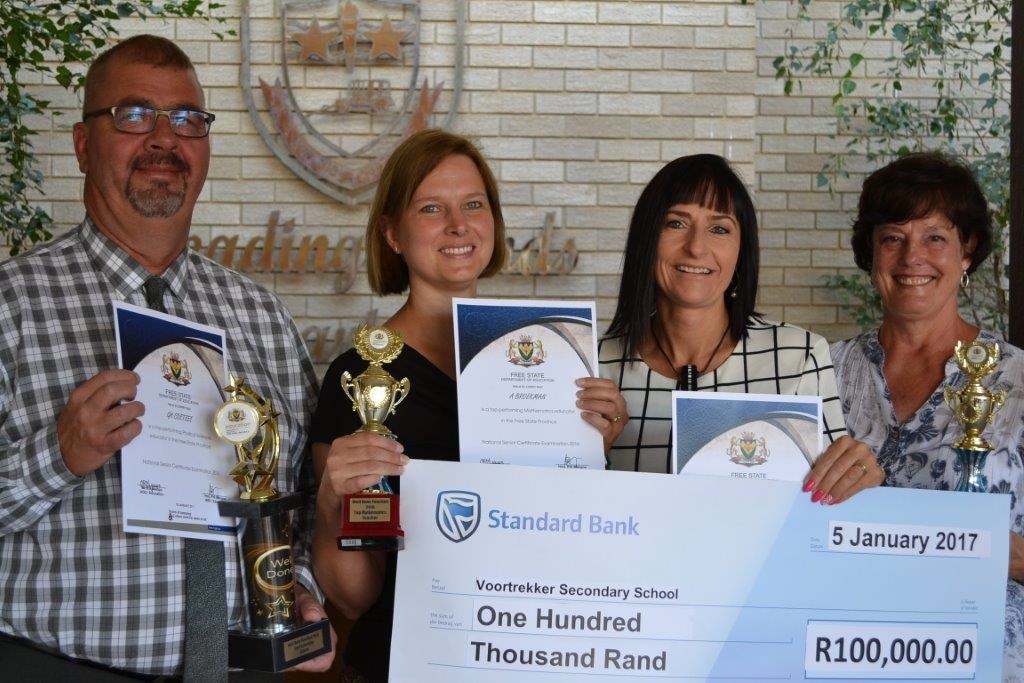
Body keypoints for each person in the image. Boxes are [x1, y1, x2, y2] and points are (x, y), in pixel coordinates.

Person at [0, 35, 332, 679]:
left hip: (240, 670)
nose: (163, 138)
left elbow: (302, 498)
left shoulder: (262, 317)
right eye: (133, 115)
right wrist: (58, 455)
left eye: (186, 119)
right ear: (83, 145)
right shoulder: (11, 304)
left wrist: (299, 586)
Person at [310, 129, 625, 682]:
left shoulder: (552, 362)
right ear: (392, 234)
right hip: (408, 662)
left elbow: (566, 543)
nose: (459, 225)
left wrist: (592, 450)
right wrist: (332, 502)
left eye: (474, 205)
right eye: (431, 208)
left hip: (529, 651)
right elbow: (354, 599)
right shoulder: (357, 379)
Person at [830, 151, 1024, 678]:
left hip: (980, 663)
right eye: (893, 237)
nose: (912, 257)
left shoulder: (1018, 381)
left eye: (935, 237)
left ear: (967, 252)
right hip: (840, 653)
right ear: (871, 253)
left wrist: (1014, 557)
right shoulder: (820, 370)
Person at [599, 153, 881, 503]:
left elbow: (833, 498)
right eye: (676, 223)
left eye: (719, 228)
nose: (696, 247)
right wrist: (590, 453)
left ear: (741, 251)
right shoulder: (594, 366)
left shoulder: (800, 356)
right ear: (646, 238)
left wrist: (857, 477)